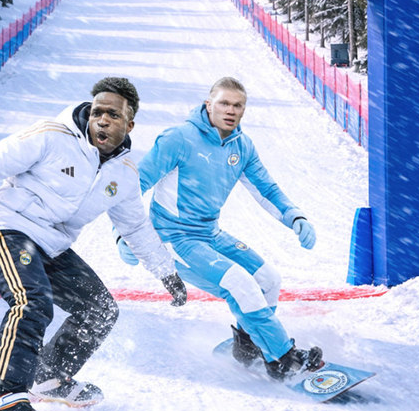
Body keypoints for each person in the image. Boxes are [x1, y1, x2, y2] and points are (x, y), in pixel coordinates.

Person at [0, 77, 187, 411]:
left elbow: (136, 227)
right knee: (32, 302)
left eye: (113, 115)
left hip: (51, 246)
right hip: (7, 229)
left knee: (99, 309)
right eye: (98, 112)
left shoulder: (124, 174)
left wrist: (166, 272)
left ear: (130, 124)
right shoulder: (52, 136)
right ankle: (1, 397)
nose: (102, 120)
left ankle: (48, 377)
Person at [116, 76, 322, 380]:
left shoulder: (242, 146)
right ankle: (282, 359)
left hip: (209, 234)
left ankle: (248, 347)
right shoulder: (178, 139)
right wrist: (123, 235)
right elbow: (134, 186)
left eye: (238, 105)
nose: (231, 110)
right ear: (208, 104)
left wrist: (295, 217)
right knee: (240, 284)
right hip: (173, 238)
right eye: (224, 103)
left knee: (268, 279)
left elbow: (266, 189)